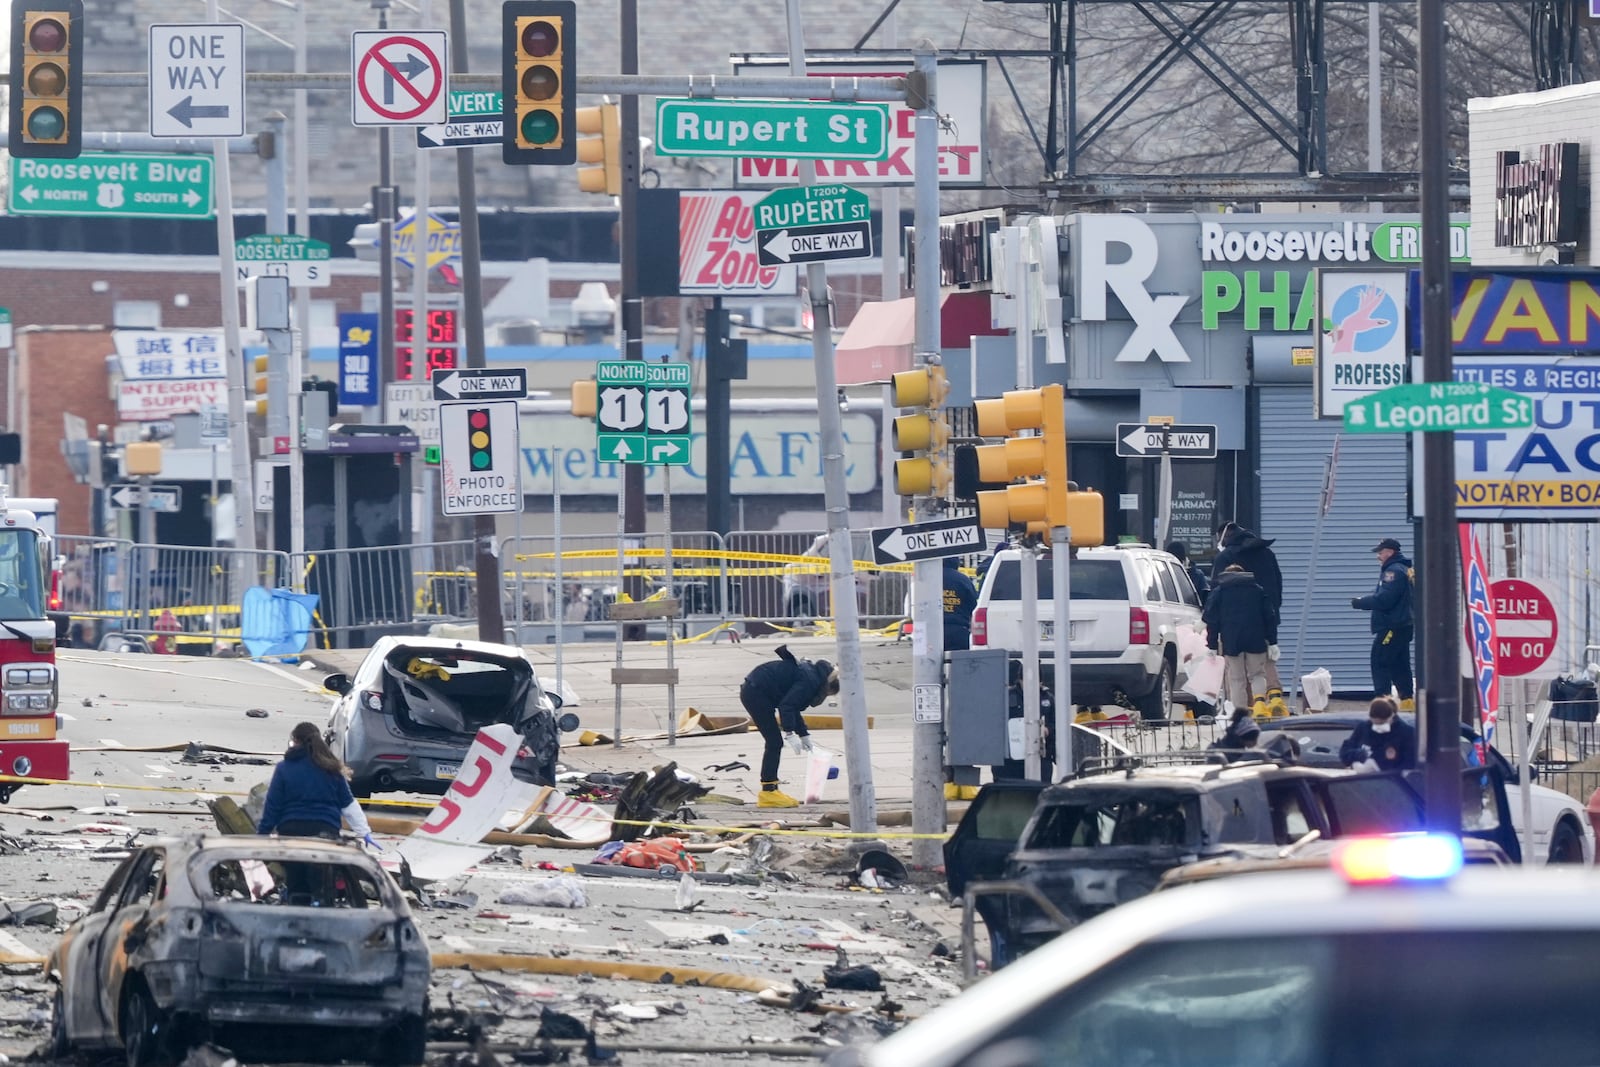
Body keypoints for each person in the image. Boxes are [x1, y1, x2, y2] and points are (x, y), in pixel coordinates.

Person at [738, 645, 840, 808]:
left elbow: (793, 705)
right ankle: (768, 792)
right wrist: (790, 733)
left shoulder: (811, 675)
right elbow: (787, 707)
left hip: (756, 690)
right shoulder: (810, 681)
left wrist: (804, 734)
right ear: (827, 686)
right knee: (774, 742)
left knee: (774, 742)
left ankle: (771, 789)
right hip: (755, 693)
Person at [258, 721, 376, 846]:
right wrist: (364, 832)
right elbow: (349, 805)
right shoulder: (332, 769)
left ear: (295, 741)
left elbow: (272, 806)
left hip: (290, 831)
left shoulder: (284, 768)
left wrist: (262, 835)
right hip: (327, 830)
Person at [1213, 522, 1287, 716]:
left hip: (1233, 626)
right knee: (1263, 666)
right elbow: (1278, 586)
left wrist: (1216, 627)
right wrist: (1272, 614)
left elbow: (1216, 593)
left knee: (1236, 673)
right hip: (1264, 619)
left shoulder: (1225, 557)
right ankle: (1272, 700)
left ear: (1223, 537)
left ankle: (1241, 712)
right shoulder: (1266, 553)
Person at [1202, 564, 1278, 719]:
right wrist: (1272, 641)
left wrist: (1212, 645)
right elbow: (1269, 617)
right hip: (1256, 639)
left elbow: (1212, 619)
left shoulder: (1220, 592)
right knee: (1257, 674)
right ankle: (1259, 706)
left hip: (1232, 641)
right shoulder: (1257, 590)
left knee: (1236, 679)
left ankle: (1241, 715)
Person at [1351, 536, 1415, 710]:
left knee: (1380, 662)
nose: (1378, 556)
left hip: (1391, 626)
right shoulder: (1405, 569)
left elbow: (1385, 600)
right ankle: (1407, 701)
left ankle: (1383, 703)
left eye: (1380, 552)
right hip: (1404, 624)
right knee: (1400, 663)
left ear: (1390, 552)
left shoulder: (1392, 572)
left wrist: (1359, 602)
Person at [1339, 696, 1418, 771]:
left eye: (1382, 723)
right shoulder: (1363, 728)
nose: (1378, 727)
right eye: (1375, 723)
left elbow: (1410, 762)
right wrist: (1359, 755)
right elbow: (1345, 752)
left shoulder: (1406, 733)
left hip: (1392, 780)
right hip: (1361, 779)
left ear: (1392, 716)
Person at [943, 556, 978, 652]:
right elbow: (974, 605)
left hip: (933, 632)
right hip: (959, 630)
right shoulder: (963, 580)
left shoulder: (929, 579)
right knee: (960, 663)